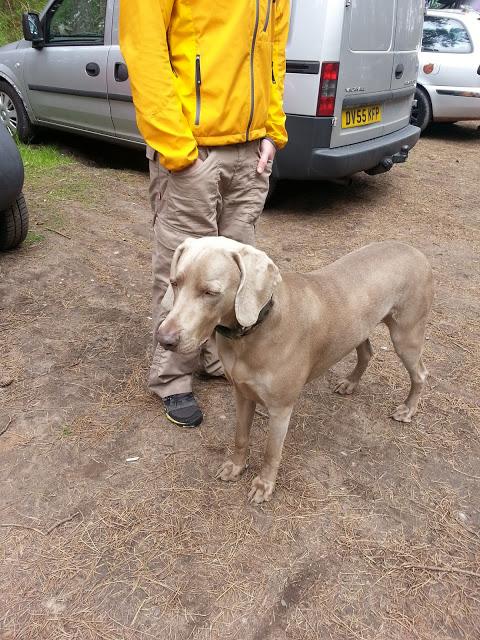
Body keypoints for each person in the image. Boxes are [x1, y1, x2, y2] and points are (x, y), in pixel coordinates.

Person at [120, 0, 290, 427]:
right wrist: (177, 148)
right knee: (180, 272)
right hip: (193, 150)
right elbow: (144, 49)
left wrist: (271, 130)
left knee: (233, 275)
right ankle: (172, 377)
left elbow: (273, 51)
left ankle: (215, 357)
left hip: (251, 151)